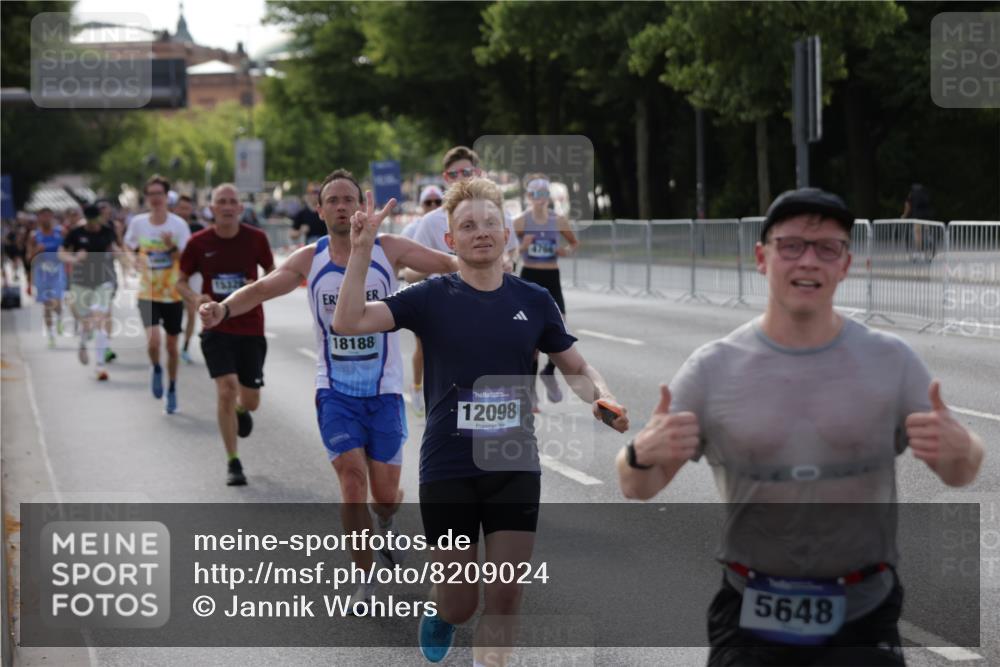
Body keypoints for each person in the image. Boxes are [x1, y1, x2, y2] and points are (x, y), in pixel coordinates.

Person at [618, 187, 985, 667]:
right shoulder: (714, 368)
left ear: (846, 264)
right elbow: (636, 486)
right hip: (751, 614)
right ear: (761, 257)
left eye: (826, 248)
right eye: (791, 246)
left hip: (864, 614)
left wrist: (963, 448)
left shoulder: (890, 361)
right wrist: (641, 452)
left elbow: (960, 470)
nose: (808, 261)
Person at [333, 177, 629, 666]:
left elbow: (575, 365)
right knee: (461, 601)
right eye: (467, 226)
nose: (482, 232)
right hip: (448, 467)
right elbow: (348, 322)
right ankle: (444, 612)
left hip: (512, 461)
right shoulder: (430, 296)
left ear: (506, 234)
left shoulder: (533, 301)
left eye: (491, 223)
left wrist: (603, 396)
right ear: (451, 240)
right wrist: (362, 251)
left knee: (506, 595)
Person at [198, 169, 457, 589]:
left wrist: (489, 265)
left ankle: (385, 525)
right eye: (331, 200)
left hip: (385, 390)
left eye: (348, 199)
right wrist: (223, 309)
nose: (341, 206)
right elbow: (263, 289)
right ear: (319, 210)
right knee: (352, 482)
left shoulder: (389, 249)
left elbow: (449, 265)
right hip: (334, 390)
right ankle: (364, 577)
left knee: (386, 497)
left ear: (361, 206)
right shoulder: (310, 258)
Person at [178, 183, 274, 486]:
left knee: (252, 400)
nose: (228, 206)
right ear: (212, 208)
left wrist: (257, 285)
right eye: (222, 202)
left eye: (233, 201)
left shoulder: (256, 239)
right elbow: (180, 281)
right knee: (225, 388)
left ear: (240, 208)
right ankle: (233, 461)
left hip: (250, 327)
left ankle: (240, 409)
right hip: (216, 328)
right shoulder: (197, 243)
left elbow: (275, 274)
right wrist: (196, 299)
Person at [123, 175, 192, 414]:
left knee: (172, 347)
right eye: (150, 194)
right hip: (147, 291)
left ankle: (172, 388)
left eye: (158, 194)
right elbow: (128, 247)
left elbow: (186, 260)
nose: (155, 198)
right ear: (147, 197)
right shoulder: (138, 223)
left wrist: (170, 247)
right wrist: (133, 261)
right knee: (153, 340)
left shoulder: (178, 225)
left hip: (172, 292)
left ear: (166, 197)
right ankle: (156, 367)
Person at [513, 174, 580, 407]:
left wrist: (565, 251)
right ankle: (530, 394)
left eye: (544, 194)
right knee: (531, 341)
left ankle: (549, 371)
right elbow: (509, 251)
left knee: (561, 329)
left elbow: (574, 244)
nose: (540, 198)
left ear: (548, 197)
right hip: (530, 277)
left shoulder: (558, 220)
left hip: (552, 277)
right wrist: (523, 245)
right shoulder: (520, 221)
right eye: (535, 194)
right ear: (529, 196)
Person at [59, 204, 122, 380]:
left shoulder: (107, 231)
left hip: (103, 281)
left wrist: (123, 258)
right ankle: (82, 342)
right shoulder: (76, 233)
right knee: (86, 320)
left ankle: (100, 366)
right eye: (90, 221)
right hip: (81, 282)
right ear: (85, 219)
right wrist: (74, 258)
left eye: (96, 221)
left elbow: (115, 247)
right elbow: (61, 253)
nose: (93, 225)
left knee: (100, 319)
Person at [399, 184, 445, 417]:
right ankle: (418, 387)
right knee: (424, 347)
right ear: (421, 205)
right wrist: (429, 268)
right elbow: (404, 268)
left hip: (451, 296)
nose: (434, 206)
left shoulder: (449, 224)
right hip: (425, 294)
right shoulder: (412, 229)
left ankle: (442, 395)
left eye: (438, 202)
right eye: (429, 202)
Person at [26, 208, 66, 347]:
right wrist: (36, 251)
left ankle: (60, 317)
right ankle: (51, 336)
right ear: (39, 218)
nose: (46, 219)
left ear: (52, 217)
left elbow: (69, 249)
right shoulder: (34, 236)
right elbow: (28, 257)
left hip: (57, 271)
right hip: (42, 273)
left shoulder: (60, 232)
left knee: (57, 301)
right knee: (47, 305)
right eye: (43, 216)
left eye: (49, 216)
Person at [173, 194, 205, 364]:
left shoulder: (197, 227)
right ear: (175, 208)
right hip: (171, 275)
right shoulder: (170, 227)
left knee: (192, 311)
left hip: (192, 276)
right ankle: (173, 338)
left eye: (187, 208)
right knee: (174, 312)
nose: (184, 212)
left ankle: (185, 347)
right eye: (181, 208)